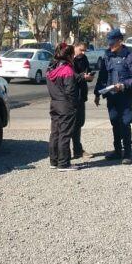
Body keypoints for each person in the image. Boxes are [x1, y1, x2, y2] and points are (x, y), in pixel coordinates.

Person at [94, 28, 132, 164]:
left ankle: (127, 153)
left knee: (125, 123)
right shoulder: (107, 57)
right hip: (111, 96)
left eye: (112, 43)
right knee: (114, 122)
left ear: (120, 41)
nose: (109, 46)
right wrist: (97, 93)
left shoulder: (130, 57)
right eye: (108, 43)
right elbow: (102, 77)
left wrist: (124, 85)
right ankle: (117, 150)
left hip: (124, 96)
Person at [47, 43, 81, 172]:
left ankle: (54, 161)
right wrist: (74, 104)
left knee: (55, 133)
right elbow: (70, 90)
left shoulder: (51, 68)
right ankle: (64, 163)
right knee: (65, 134)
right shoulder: (67, 70)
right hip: (65, 104)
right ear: (70, 55)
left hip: (54, 103)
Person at [72, 42, 95, 159]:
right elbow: (69, 76)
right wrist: (82, 76)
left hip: (81, 95)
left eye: (85, 50)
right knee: (70, 125)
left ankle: (77, 150)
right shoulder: (69, 59)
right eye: (81, 50)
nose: (83, 53)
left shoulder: (83, 58)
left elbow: (87, 71)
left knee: (79, 123)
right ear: (74, 47)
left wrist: (89, 77)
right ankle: (64, 152)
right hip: (71, 97)